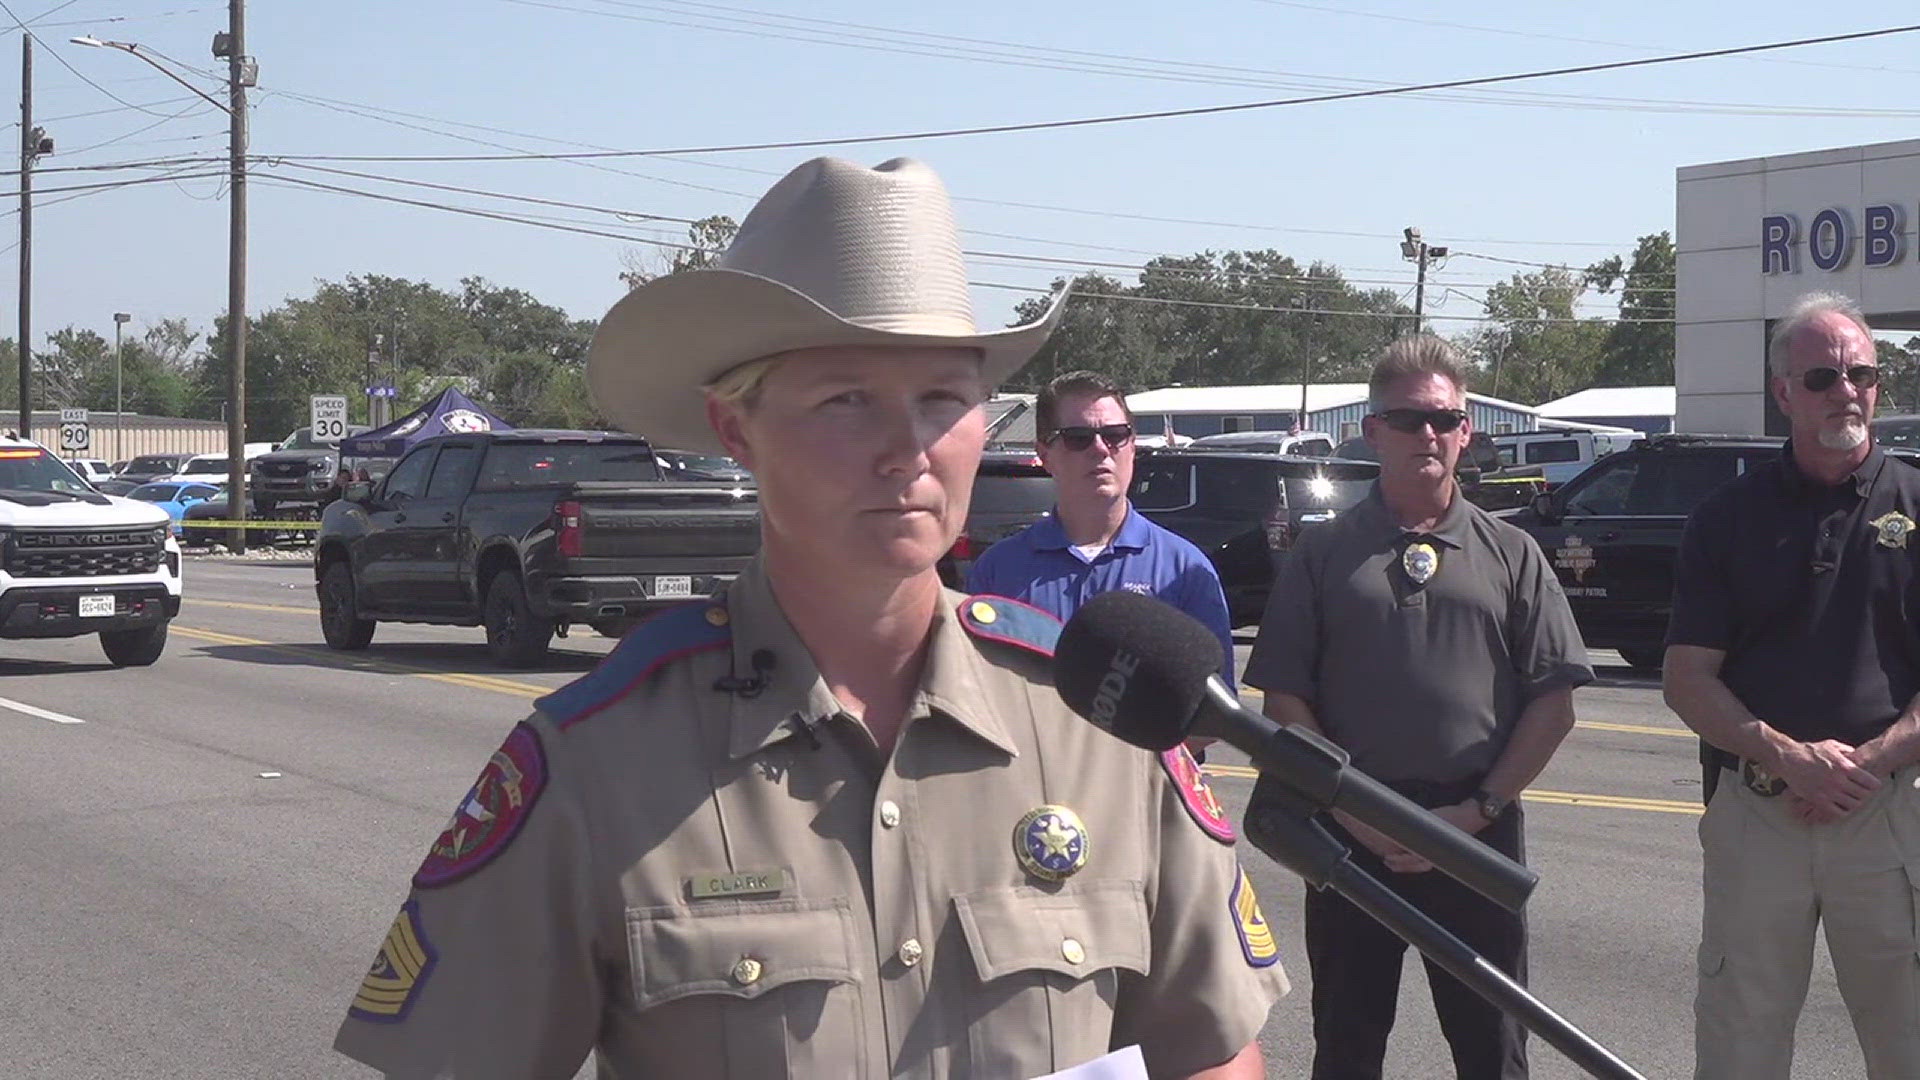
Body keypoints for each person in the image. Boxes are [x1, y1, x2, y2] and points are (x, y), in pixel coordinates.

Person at [332, 156, 1286, 1079]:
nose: (906, 449)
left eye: (942, 400)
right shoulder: (599, 763)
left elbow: (1210, 1052)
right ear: (736, 430)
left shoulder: (1103, 724)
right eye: (846, 400)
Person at [1241, 335, 1591, 1080]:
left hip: (1474, 838)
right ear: (1372, 431)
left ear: (1466, 431)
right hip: (1349, 837)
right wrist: (1357, 816)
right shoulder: (1324, 552)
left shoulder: (1512, 552)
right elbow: (1284, 699)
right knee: (1347, 1045)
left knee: (1493, 1049)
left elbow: (1554, 702)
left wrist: (1477, 814)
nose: (1427, 434)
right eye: (1408, 420)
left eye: (1444, 419)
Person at [1663, 291, 1920, 1080]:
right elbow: (1686, 679)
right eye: (1822, 377)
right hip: (1759, 814)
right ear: (1783, 393)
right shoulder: (1726, 516)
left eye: (1863, 373)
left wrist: (1869, 759)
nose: (1847, 390)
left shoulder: (1917, 501)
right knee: (1741, 1045)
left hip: (1892, 814)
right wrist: (1787, 756)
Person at [966, 369, 1238, 691]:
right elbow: (973, 694)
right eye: (1078, 438)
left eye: (1115, 435)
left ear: (1132, 446)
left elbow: (1213, 708)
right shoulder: (997, 573)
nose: (1100, 449)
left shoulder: (1185, 569)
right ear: (1044, 455)